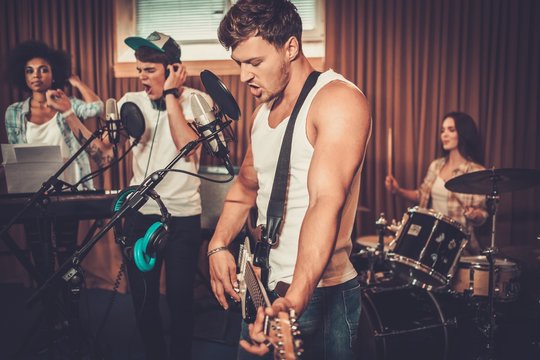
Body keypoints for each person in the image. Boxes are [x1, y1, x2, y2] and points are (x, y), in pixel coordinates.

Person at [207, 1, 371, 359]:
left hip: (316, 293)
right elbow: (246, 187)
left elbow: (324, 203)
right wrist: (218, 243)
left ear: (291, 47)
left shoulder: (336, 100)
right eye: (239, 64)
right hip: (264, 288)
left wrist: (294, 298)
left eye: (255, 62)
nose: (244, 76)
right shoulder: (263, 112)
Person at [118, 31, 213, 360]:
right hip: (140, 214)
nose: (142, 78)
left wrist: (172, 95)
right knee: (143, 298)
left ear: (173, 69)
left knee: (179, 298)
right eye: (139, 69)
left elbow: (189, 151)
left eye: (150, 71)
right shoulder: (131, 102)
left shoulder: (199, 102)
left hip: (183, 216)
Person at [4, 40, 110, 275]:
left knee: (66, 253)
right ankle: (49, 308)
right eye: (29, 70)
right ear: (22, 76)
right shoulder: (13, 112)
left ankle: (69, 308)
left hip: (68, 190)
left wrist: (76, 82)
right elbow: (16, 153)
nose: (36, 75)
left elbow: (98, 107)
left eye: (44, 69)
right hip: (33, 193)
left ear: (54, 74)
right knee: (39, 255)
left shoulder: (67, 104)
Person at [385, 111, 488, 254]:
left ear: (463, 133)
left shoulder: (476, 171)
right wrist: (398, 190)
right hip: (429, 239)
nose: (444, 134)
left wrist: (475, 214)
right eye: (442, 130)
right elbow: (422, 196)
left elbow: (482, 215)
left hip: (457, 245)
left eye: (451, 130)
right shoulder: (436, 165)